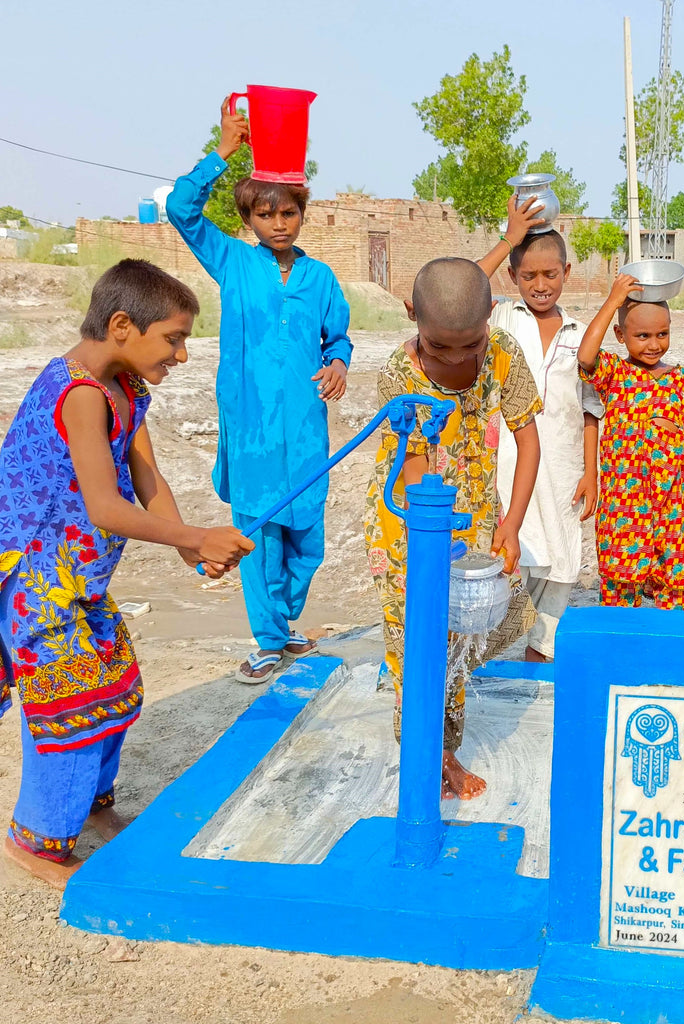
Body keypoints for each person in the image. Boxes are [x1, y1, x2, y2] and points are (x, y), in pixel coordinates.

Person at [0, 259, 253, 888]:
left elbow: (146, 481)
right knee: (73, 704)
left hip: (74, 583)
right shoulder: (80, 395)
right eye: (173, 338)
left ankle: (87, 808)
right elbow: (105, 506)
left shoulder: (126, 392)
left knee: (118, 685)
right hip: (33, 582)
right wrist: (197, 535)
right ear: (121, 325)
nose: (183, 355)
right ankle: (36, 841)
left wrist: (189, 551)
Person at [166, 98, 352, 685]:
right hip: (248, 428)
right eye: (266, 213)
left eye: (288, 212)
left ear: (302, 215)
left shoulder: (320, 278)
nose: (278, 222)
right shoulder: (231, 262)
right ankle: (270, 638)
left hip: (303, 431)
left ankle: (287, 621)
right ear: (250, 218)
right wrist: (225, 149)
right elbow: (180, 207)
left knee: (308, 538)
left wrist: (339, 363)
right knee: (256, 536)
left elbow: (338, 337)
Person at [364, 258, 541, 800]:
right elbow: (413, 470)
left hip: (479, 521)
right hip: (410, 527)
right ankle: (433, 757)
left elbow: (528, 439)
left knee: (470, 634)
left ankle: (436, 734)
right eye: (441, 348)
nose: (459, 360)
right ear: (412, 315)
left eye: (472, 346)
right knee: (420, 641)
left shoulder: (505, 357)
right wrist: (433, 541)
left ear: (492, 315)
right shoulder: (401, 375)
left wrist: (511, 525)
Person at [477, 198, 601, 662]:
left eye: (550, 274)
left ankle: (540, 655)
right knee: (510, 560)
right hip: (509, 466)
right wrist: (508, 239)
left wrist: (592, 471)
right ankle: (486, 658)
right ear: (512, 277)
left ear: (567, 272)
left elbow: (591, 409)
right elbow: (462, 287)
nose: (540, 285)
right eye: (528, 276)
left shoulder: (580, 333)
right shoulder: (503, 319)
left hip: (566, 468)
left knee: (562, 566)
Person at [577, 273, 684, 610]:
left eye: (662, 334)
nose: (654, 344)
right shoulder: (615, 374)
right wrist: (613, 301)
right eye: (642, 336)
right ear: (620, 335)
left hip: (674, 504)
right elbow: (585, 357)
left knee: (676, 587)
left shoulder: (680, 379)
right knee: (622, 588)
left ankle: (670, 653)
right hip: (626, 501)